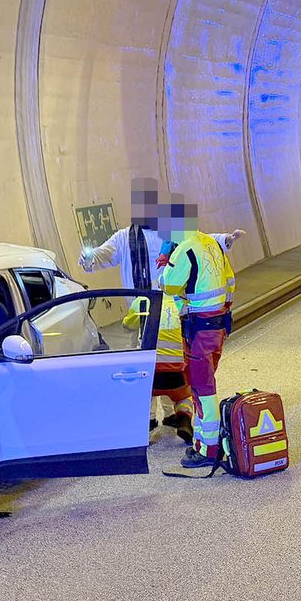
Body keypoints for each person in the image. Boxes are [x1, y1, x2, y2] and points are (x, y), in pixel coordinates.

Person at [80, 179, 244, 440]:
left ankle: (165, 416)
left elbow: (199, 240)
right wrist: (88, 258)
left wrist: (225, 240)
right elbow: (103, 254)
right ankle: (168, 415)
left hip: (166, 313)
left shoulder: (167, 233)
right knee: (164, 365)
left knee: (159, 365)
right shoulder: (124, 237)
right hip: (147, 313)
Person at [160, 198, 236, 469]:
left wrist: (169, 261)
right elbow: (230, 281)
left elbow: (167, 286)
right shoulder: (211, 243)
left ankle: (210, 448)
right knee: (206, 383)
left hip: (199, 330)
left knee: (202, 388)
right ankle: (204, 442)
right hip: (218, 326)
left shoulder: (185, 250)